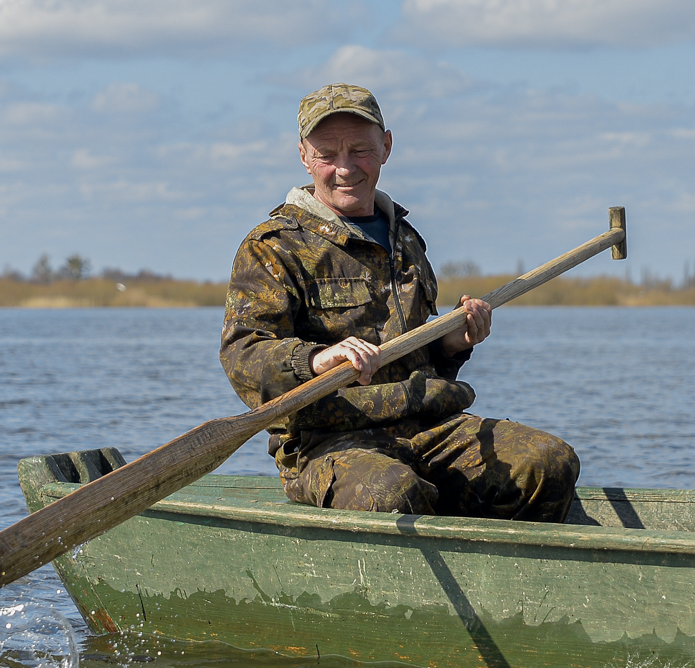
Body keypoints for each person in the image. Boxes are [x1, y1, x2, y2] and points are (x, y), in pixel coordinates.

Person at [220, 83, 579, 522]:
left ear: (386, 147)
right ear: (303, 156)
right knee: (390, 494)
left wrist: (452, 344)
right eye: (327, 154)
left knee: (548, 462)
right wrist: (315, 360)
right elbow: (243, 355)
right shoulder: (272, 247)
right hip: (328, 443)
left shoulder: (405, 240)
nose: (345, 168)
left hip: (429, 427)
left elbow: (419, 358)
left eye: (360, 150)